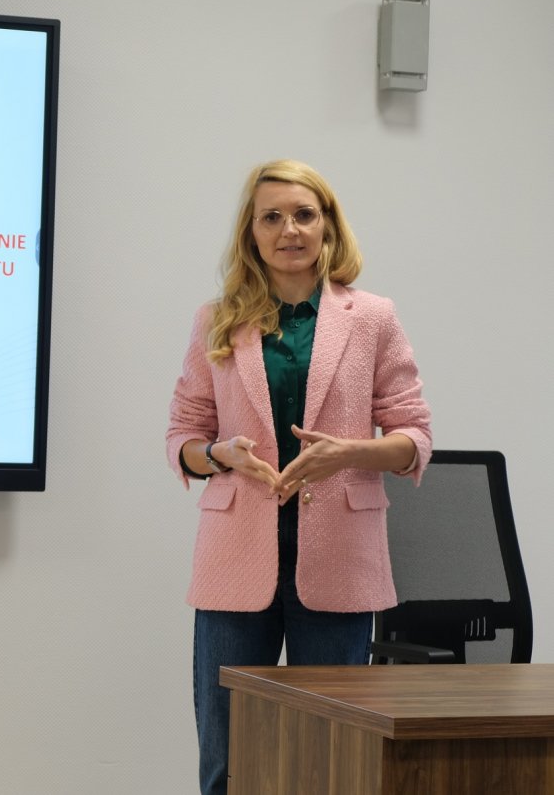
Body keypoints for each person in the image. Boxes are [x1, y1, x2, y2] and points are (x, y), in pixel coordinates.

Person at [165, 159, 431, 795]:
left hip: (339, 557)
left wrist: (349, 453)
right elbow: (183, 438)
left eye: (304, 215)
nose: (290, 229)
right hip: (235, 558)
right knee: (229, 758)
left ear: (327, 226)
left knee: (333, 762)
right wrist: (220, 455)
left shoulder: (372, 318)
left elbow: (414, 438)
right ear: (252, 232)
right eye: (272, 217)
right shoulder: (216, 319)